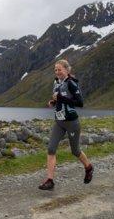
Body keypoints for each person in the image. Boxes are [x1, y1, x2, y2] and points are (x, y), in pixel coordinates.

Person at [38, 59, 93, 191]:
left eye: (60, 70)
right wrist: (53, 102)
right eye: (55, 70)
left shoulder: (72, 83)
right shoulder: (56, 82)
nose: (57, 72)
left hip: (72, 123)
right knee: (51, 149)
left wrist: (61, 99)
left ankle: (88, 167)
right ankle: (50, 181)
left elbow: (80, 103)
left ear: (67, 70)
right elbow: (58, 99)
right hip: (59, 122)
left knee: (75, 151)